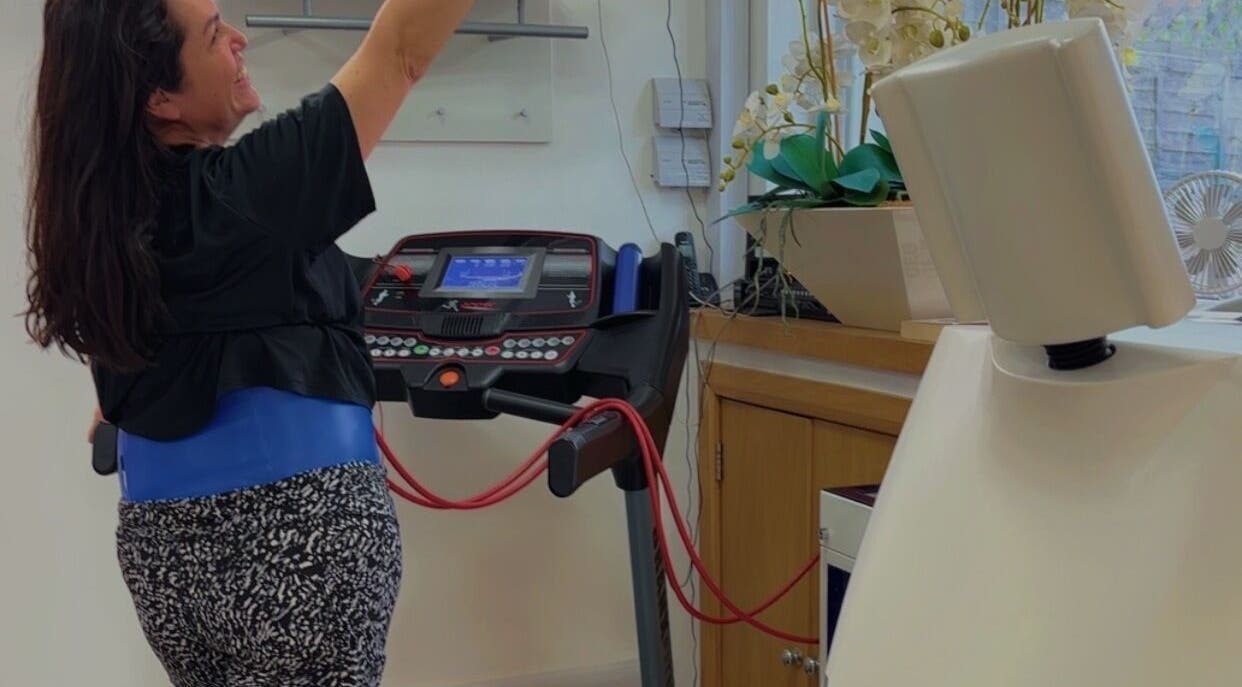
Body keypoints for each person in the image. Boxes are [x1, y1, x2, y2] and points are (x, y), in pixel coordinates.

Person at [23, 0, 475, 684]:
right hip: (296, 543)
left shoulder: (96, 223)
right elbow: (400, 52)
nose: (240, 38)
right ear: (159, 96)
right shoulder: (248, 194)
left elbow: (122, 350)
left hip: (163, 557)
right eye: (214, 34)